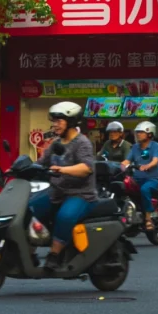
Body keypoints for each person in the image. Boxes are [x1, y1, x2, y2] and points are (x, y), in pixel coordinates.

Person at [29, 101, 97, 271]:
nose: (55, 124)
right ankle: (30, 253)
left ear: (72, 122)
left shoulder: (82, 143)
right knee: (30, 209)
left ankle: (54, 255)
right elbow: (41, 163)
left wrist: (62, 169)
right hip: (57, 192)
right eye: (54, 121)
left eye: (59, 121)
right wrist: (21, 168)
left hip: (80, 195)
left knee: (65, 217)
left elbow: (86, 168)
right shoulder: (55, 143)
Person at [121, 121, 158, 215]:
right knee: (122, 188)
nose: (138, 134)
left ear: (149, 134)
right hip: (136, 179)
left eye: (141, 132)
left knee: (144, 189)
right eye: (137, 132)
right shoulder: (135, 147)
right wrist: (116, 166)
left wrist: (147, 166)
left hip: (152, 180)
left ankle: (148, 216)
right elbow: (127, 161)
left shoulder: (156, 146)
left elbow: (155, 160)